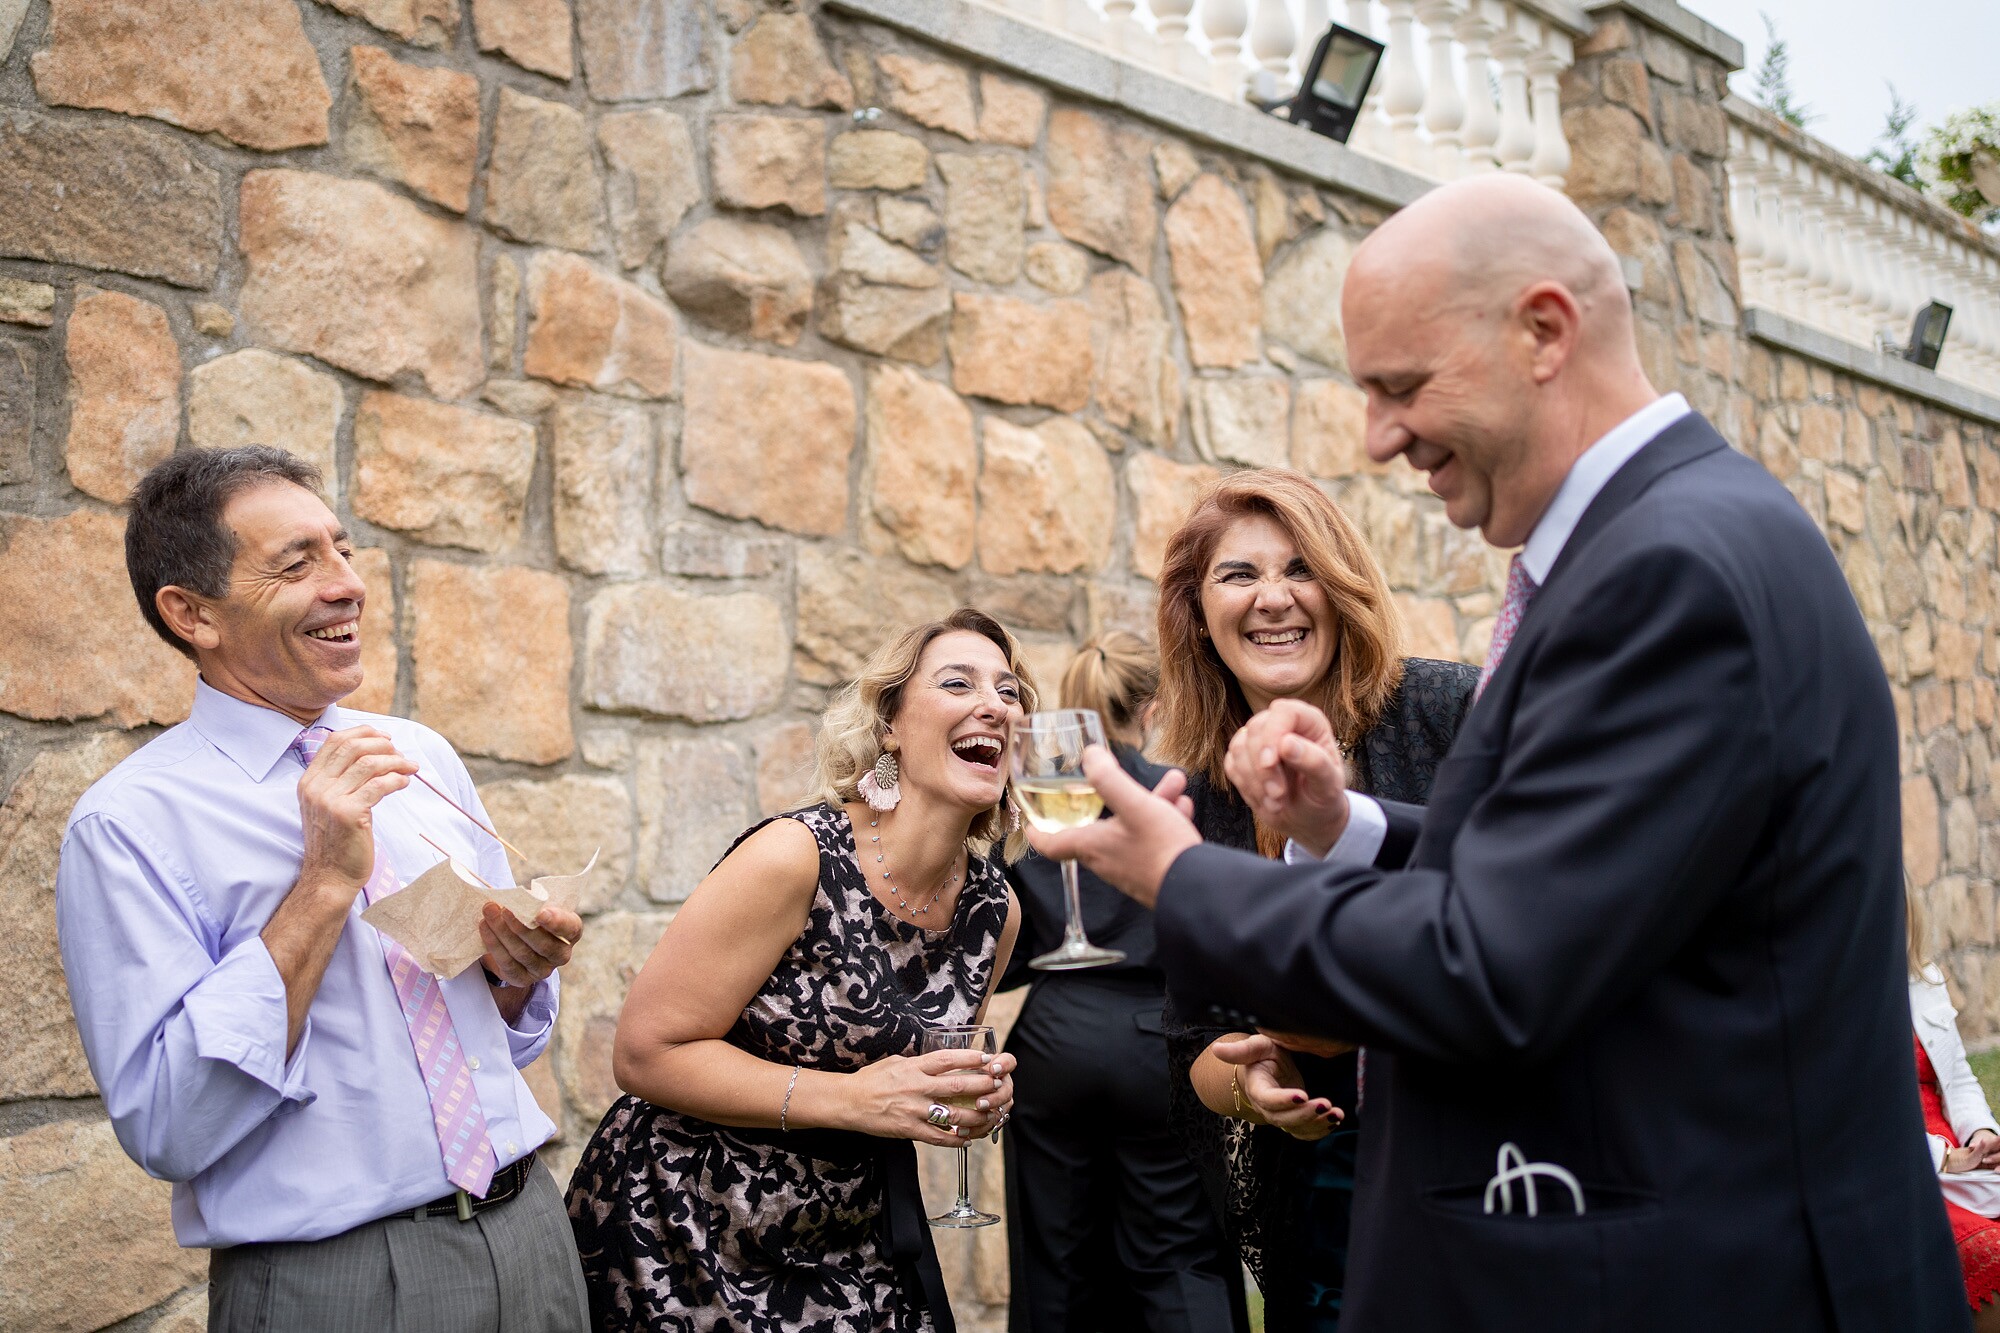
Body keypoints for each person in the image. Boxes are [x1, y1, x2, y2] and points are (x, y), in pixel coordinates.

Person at [1028, 173, 1966, 1332]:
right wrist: (1344, 826)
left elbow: (1492, 963)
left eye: (1401, 386)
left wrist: (1178, 874)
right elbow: (1586, 874)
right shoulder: (1680, 533)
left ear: (1541, 333)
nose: (1377, 437)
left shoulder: (1666, 573)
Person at [57, 447, 588, 1332]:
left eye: (342, 549)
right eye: (296, 564)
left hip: (531, 1235)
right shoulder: (127, 824)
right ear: (193, 614)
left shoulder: (419, 754)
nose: (347, 585)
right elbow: (168, 1124)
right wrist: (324, 883)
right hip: (336, 1281)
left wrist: (516, 972)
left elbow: (494, 1034)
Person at [566, 608, 1029, 1332]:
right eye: (957, 683)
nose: (994, 705)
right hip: (684, 1232)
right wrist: (851, 1100)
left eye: (1010, 691)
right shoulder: (795, 856)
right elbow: (644, 1052)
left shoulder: (995, 911)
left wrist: (961, 1106)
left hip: (852, 1241)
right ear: (890, 726)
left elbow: (910, 1084)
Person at [1149, 468, 1475, 1331]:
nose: (1273, 598)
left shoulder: (1448, 712)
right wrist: (1253, 1082)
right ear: (1198, 613)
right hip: (1324, 1198)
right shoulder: (1200, 796)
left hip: (1480, 1168)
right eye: (1239, 574)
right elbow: (1194, 1043)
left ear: (1342, 587)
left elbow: (1524, 904)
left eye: (1300, 569)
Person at [998, 631, 1247, 1333]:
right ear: (1155, 706)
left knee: (1055, 1264)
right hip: (1160, 1043)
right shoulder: (1184, 795)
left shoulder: (1036, 798)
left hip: (1052, 1041)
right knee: (1181, 1252)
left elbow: (1010, 953)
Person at [1909, 892, 2000, 1329]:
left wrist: (1981, 1134)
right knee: (1990, 1255)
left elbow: (1958, 1078)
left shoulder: (1924, 979)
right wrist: (1945, 1158)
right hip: (1902, 1163)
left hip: (1959, 1152)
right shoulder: (1832, 993)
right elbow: (1850, 1112)